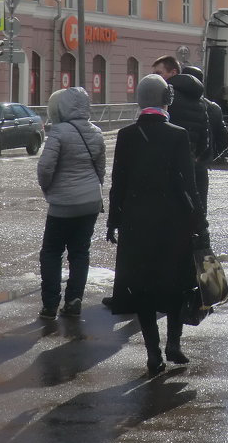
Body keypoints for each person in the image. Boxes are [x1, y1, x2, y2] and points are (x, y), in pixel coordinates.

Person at [107, 74, 207, 376]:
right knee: (176, 285)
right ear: (167, 100)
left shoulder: (126, 135)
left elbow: (118, 183)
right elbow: (187, 185)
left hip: (136, 225)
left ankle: (153, 354)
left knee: (143, 290)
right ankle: (174, 345)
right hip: (172, 224)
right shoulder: (177, 135)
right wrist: (199, 222)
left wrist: (113, 222)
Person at [36, 87, 106, 319]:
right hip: (89, 203)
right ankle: (74, 299)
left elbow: (46, 167)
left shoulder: (59, 132)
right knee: (80, 252)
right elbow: (100, 170)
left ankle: (50, 305)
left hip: (62, 205)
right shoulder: (96, 132)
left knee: (51, 252)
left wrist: (48, 189)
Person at [152, 56, 210, 202]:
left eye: (159, 73)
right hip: (188, 166)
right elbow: (205, 138)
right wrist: (192, 155)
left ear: (173, 72)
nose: (155, 77)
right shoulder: (199, 100)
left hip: (164, 167)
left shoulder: (164, 98)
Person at [182, 64, 228, 168]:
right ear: (201, 83)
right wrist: (207, 158)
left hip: (175, 167)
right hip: (200, 167)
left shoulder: (170, 104)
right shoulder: (213, 108)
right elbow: (224, 141)